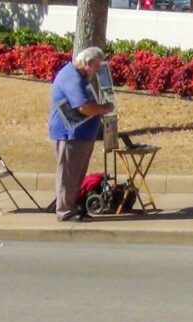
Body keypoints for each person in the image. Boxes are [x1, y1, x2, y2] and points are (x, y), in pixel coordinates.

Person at [47, 47, 114, 222]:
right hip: (70, 135)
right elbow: (83, 107)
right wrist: (104, 109)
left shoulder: (78, 77)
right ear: (87, 63)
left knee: (75, 174)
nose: (97, 71)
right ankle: (64, 211)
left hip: (81, 135)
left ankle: (71, 205)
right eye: (96, 67)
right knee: (68, 174)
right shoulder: (72, 78)